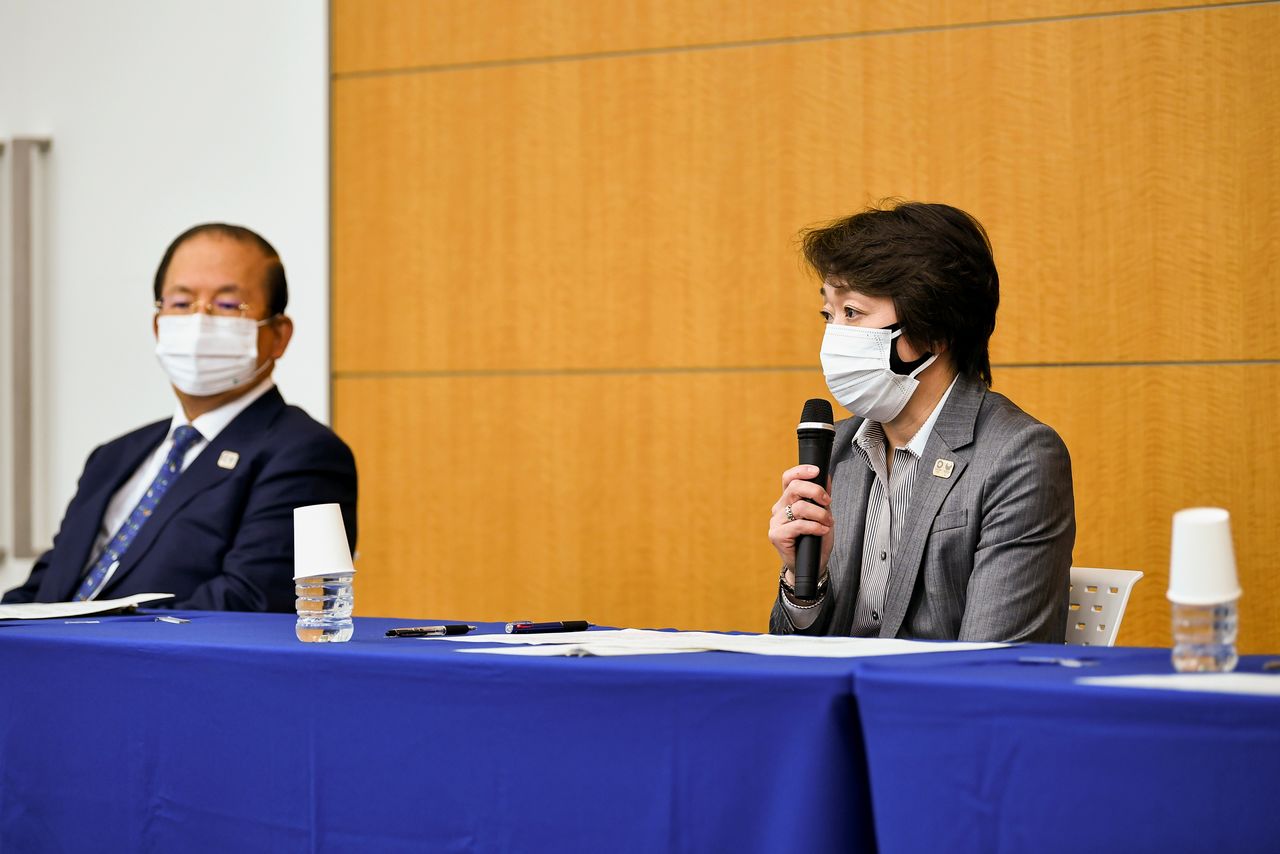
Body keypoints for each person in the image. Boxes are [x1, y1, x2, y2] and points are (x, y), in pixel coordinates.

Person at [2, 224, 357, 611]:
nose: (199, 322)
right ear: (158, 325)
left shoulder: (304, 454)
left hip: (153, 669)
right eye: (182, 303)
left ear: (278, 335)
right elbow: (46, 590)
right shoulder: (114, 456)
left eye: (226, 305)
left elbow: (249, 601)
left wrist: (79, 640)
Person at [768, 201, 1074, 643]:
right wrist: (806, 581)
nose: (833, 335)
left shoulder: (1018, 456)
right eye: (828, 315)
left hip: (941, 706)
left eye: (852, 312)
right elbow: (794, 655)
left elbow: (993, 658)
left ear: (933, 329)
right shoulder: (841, 447)